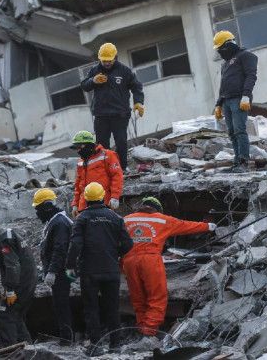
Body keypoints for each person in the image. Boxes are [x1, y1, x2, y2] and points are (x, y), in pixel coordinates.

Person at [123, 197, 215, 337]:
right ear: (157, 208)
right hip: (151, 260)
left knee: (138, 297)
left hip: (129, 260)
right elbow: (186, 226)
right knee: (157, 297)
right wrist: (208, 226)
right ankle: (149, 332)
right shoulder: (162, 219)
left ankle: (142, 327)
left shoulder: (126, 220)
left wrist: (120, 264)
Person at [66, 182, 133, 356]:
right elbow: (128, 243)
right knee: (112, 307)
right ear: (103, 197)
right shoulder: (115, 218)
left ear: (86, 200)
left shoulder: (82, 218)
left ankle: (96, 346)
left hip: (89, 271)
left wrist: (70, 266)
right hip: (110, 269)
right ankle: (115, 345)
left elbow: (75, 245)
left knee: (91, 309)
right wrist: (114, 254)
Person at [80, 42, 145, 170]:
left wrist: (138, 102)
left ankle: (123, 168)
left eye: (109, 61)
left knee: (121, 142)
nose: (106, 63)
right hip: (101, 114)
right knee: (102, 144)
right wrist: (93, 81)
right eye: (104, 61)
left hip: (120, 114)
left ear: (115, 57)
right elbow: (84, 85)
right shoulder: (95, 71)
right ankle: (107, 168)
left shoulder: (124, 71)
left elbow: (136, 86)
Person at [212, 31, 258, 173]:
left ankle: (244, 163)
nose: (220, 53)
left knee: (239, 130)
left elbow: (251, 76)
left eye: (221, 49)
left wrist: (246, 95)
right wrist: (218, 104)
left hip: (239, 99)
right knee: (232, 132)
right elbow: (223, 84)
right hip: (226, 100)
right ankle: (237, 163)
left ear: (229, 45)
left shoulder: (246, 56)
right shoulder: (225, 64)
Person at [32, 188, 73, 346]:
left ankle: (66, 339)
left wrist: (53, 271)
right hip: (59, 270)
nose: (38, 213)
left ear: (47, 206)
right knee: (59, 304)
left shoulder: (60, 222)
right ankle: (65, 336)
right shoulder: (55, 221)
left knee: (61, 304)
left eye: (39, 209)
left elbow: (60, 248)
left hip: (61, 271)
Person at [0, 227, 36, 348]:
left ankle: (8, 350)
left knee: (5, 313)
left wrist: (10, 290)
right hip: (27, 280)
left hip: (20, 282)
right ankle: (27, 349)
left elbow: (12, 265)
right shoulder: (7, 235)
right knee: (16, 316)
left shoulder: (4, 238)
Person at [70, 131, 123, 216]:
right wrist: (75, 204)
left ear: (89, 145)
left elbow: (117, 176)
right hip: (85, 206)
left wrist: (115, 197)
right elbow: (78, 184)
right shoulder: (81, 161)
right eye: (77, 148)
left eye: (80, 147)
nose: (78, 150)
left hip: (104, 202)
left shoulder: (108, 155)